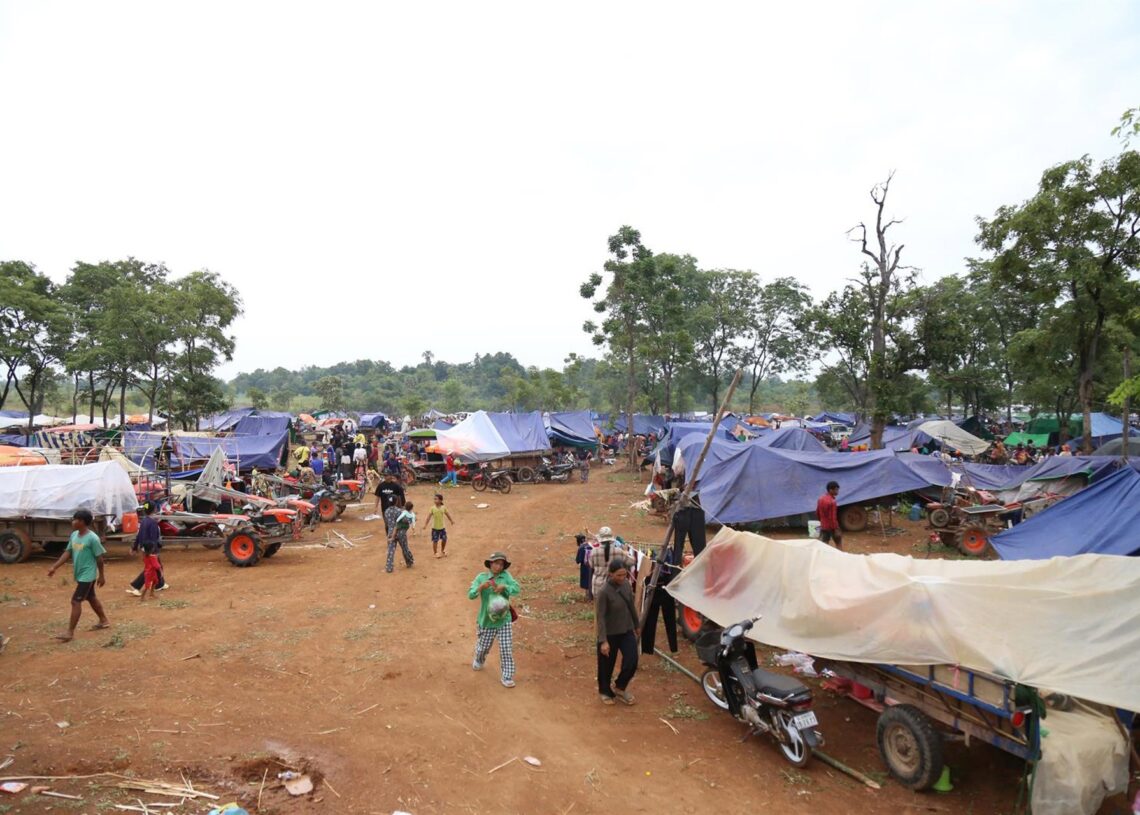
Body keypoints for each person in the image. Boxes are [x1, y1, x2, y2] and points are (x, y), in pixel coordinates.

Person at [47, 509, 110, 642]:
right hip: (80, 574)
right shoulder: (74, 535)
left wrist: (102, 575)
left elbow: (99, 558)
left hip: (88, 575)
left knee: (76, 601)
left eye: (75, 519)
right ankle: (104, 620)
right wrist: (55, 567)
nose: (72, 521)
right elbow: (68, 552)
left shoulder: (93, 538)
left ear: (82, 522)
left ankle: (70, 632)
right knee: (91, 597)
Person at [468, 551, 520, 688]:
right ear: (490, 563)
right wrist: (480, 587)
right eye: (496, 563)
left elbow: (516, 588)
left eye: (501, 564)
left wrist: (505, 587)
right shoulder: (481, 578)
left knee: (506, 648)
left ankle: (507, 676)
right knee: (483, 647)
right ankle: (479, 659)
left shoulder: (506, 576)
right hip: (487, 620)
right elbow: (471, 595)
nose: (499, 566)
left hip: (504, 619)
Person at [596, 559, 640, 705]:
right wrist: (603, 641)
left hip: (626, 629)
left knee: (632, 660)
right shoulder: (604, 592)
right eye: (619, 575)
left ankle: (620, 687)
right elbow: (600, 617)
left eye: (624, 574)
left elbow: (631, 606)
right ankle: (605, 691)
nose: (622, 578)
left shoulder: (626, 585)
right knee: (606, 665)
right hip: (610, 633)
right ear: (610, 574)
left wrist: (636, 625)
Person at [127, 502, 167, 596]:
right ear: (154, 510)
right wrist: (154, 550)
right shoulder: (153, 522)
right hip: (151, 549)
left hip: (145, 548)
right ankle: (136, 585)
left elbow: (139, 535)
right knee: (151, 567)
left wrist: (135, 547)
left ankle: (160, 584)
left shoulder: (144, 521)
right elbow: (153, 538)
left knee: (157, 566)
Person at [588, 527, 632, 599]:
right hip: (615, 589)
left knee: (599, 609)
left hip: (598, 587)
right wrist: (626, 552)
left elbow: (591, 566)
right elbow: (631, 561)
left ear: (600, 539)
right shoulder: (619, 551)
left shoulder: (593, 552)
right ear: (611, 539)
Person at [386, 501, 416, 573]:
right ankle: (409, 562)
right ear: (396, 502)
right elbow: (407, 521)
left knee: (391, 550)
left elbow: (387, 522)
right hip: (401, 533)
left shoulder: (386, 511)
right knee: (405, 548)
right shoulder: (400, 511)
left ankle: (389, 567)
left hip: (391, 531)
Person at [423, 493, 455, 558]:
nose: (434, 500)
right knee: (435, 541)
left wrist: (451, 520)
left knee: (444, 539)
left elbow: (447, 514)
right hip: (434, 528)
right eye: (434, 499)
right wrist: (425, 525)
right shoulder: (432, 508)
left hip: (442, 528)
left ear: (440, 501)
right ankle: (435, 553)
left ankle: (442, 550)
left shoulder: (443, 508)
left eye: (436, 499)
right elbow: (428, 517)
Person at [816, 481, 842, 550]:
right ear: (831, 490)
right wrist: (836, 529)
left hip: (824, 526)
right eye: (836, 489)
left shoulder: (820, 499)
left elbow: (817, 512)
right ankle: (840, 556)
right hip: (832, 526)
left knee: (824, 543)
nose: (838, 491)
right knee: (838, 543)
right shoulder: (832, 502)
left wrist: (822, 521)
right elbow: (833, 517)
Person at [574, 533, 593, 600]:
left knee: (586, 583)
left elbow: (578, 560)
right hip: (593, 566)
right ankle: (592, 596)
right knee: (591, 580)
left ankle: (588, 597)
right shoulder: (590, 545)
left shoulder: (581, 548)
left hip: (585, 568)